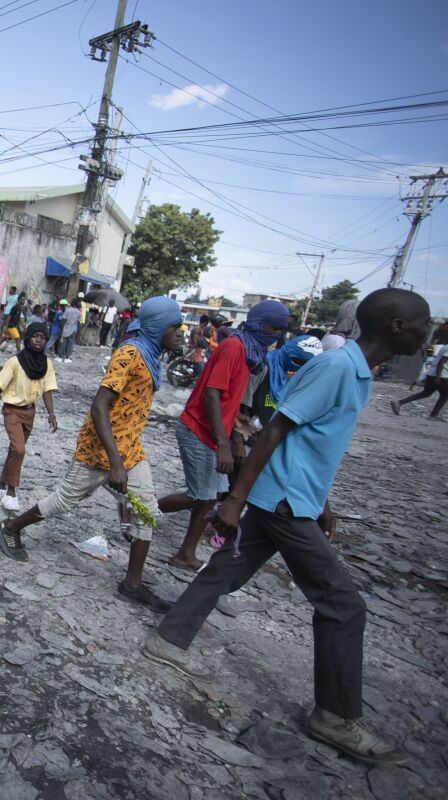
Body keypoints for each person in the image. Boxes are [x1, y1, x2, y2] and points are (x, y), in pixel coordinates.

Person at [144, 288, 428, 766]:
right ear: (396, 326)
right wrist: (234, 500)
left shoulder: (355, 372)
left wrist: (324, 501)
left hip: (295, 497)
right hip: (283, 502)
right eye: (422, 323)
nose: (429, 331)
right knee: (343, 606)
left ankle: (167, 638)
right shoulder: (337, 368)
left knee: (227, 568)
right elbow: (275, 429)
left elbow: (312, 442)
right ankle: (334, 716)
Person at [156, 300, 290, 570]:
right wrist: (223, 445)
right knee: (201, 496)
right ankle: (142, 510)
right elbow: (211, 393)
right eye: (274, 329)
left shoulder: (250, 353)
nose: (276, 336)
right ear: (260, 325)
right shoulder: (234, 347)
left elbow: (225, 396)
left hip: (212, 430)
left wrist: (237, 423)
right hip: (198, 429)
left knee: (211, 495)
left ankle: (187, 551)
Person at [0, 322, 58, 512]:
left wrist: (51, 414)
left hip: (30, 412)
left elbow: (47, 390)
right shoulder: (15, 362)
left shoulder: (46, 363)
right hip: (12, 411)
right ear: (27, 339)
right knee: (19, 449)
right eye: (35, 336)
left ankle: (0, 485)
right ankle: (11, 493)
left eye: (43, 337)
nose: (39, 340)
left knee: (15, 451)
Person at [390, 325, 448, 419]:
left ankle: (399, 402)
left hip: (431, 373)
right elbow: (441, 363)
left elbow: (433, 361)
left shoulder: (443, 347)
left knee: (426, 393)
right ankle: (433, 415)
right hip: (441, 375)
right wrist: (438, 377)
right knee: (445, 395)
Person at [57, 298, 82, 362]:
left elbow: (63, 320)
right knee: (70, 344)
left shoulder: (68, 310)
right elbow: (78, 322)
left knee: (63, 343)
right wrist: (78, 331)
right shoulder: (79, 312)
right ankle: (67, 358)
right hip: (74, 330)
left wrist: (61, 328)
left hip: (66, 329)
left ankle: (60, 357)